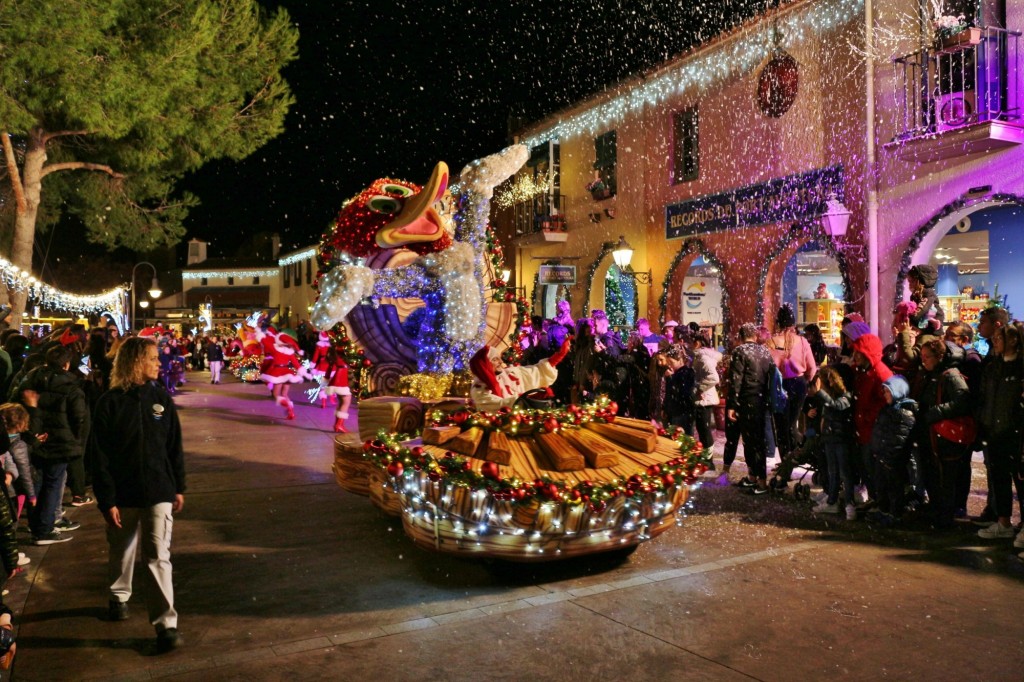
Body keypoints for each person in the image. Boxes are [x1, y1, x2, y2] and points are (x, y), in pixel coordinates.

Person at [90, 337, 185, 653]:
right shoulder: (110, 402)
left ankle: (165, 625)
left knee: (158, 555)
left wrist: (178, 486)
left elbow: (174, 446)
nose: (160, 363)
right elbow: (99, 455)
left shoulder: (162, 399)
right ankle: (119, 596)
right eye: (154, 358)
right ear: (135, 362)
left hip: (158, 489)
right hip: (123, 492)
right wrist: (107, 499)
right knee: (122, 546)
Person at [20, 345, 89, 546]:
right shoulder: (71, 387)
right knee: (53, 485)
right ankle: (45, 529)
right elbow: (79, 418)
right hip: (61, 442)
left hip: (37, 440)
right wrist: (76, 440)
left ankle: (37, 525)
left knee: (39, 484)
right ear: (66, 364)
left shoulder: (32, 380)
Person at [913, 339, 971, 530]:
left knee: (946, 478)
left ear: (939, 356)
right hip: (931, 435)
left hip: (944, 437)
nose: (923, 361)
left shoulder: (950, 376)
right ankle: (937, 512)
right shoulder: (929, 375)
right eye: (922, 357)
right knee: (933, 475)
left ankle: (945, 517)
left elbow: (963, 401)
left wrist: (936, 412)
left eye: (927, 357)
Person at [975, 323, 1024, 541]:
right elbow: (985, 398)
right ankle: (1004, 522)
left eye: (999, 338)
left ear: (1013, 340)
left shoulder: (1020, 368)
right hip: (994, 432)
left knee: (1020, 481)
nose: (994, 342)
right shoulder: (993, 367)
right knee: (999, 478)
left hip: (1016, 434)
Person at [727, 323, 774, 495]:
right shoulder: (765, 352)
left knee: (749, 440)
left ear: (740, 336)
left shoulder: (739, 352)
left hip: (747, 399)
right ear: (755, 336)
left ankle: (757, 478)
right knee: (758, 440)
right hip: (761, 400)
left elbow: (736, 380)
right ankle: (757, 478)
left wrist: (732, 404)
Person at [769, 304, 816, 459]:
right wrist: (808, 383)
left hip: (779, 385)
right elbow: (812, 367)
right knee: (792, 424)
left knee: (781, 425)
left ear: (778, 323)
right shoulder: (802, 342)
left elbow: (768, 368)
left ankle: (786, 460)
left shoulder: (771, 342)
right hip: (799, 384)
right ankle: (797, 455)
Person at [868, 375, 917, 526]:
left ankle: (895, 514)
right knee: (881, 486)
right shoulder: (888, 410)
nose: (885, 395)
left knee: (894, 488)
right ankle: (884, 510)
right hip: (882, 456)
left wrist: (890, 457)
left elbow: (900, 439)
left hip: (893, 460)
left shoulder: (904, 413)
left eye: (887, 392)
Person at [810, 367, 856, 519]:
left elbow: (837, 406)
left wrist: (820, 393)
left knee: (845, 472)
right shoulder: (831, 396)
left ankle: (849, 503)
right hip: (830, 439)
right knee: (833, 472)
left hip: (841, 439)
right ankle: (832, 501)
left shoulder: (846, 396)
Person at [690, 331, 721, 452]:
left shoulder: (703, 358)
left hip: (704, 398)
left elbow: (714, 377)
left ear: (697, 343)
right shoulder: (701, 356)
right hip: (704, 398)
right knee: (703, 428)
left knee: (704, 429)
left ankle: (709, 460)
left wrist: (699, 388)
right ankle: (706, 456)